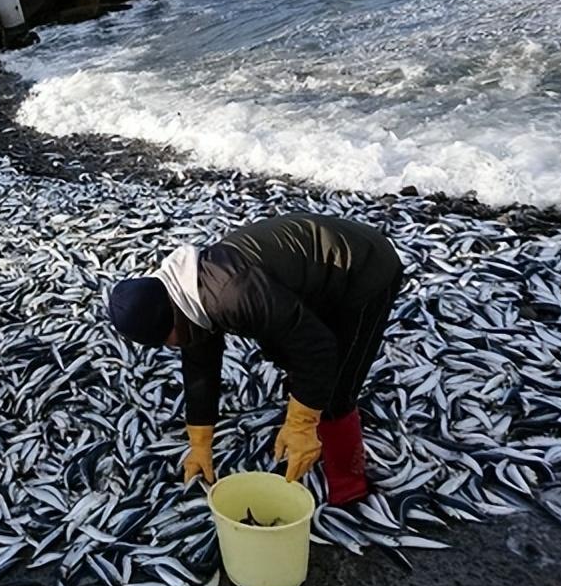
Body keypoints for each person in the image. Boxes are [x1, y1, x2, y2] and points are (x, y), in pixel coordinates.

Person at [107, 212, 404, 505]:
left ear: (171, 318)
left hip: (365, 269)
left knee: (338, 382)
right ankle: (312, 403)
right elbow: (201, 367)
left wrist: (302, 424)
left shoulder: (232, 294)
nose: (169, 346)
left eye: (164, 339)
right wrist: (200, 443)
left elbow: (317, 347)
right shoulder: (187, 296)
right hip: (316, 275)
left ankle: (349, 486)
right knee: (292, 353)